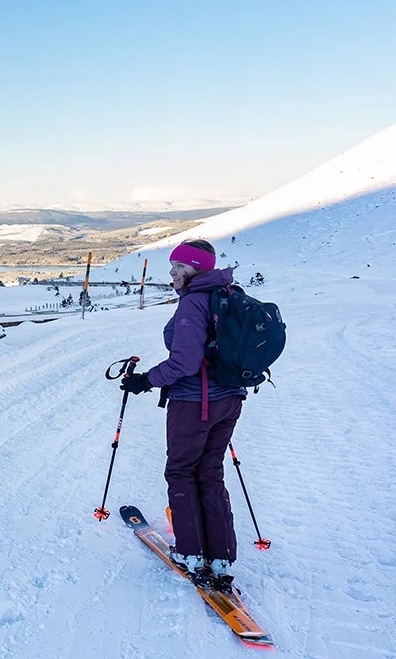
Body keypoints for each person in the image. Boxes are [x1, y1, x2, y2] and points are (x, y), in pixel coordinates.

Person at [120, 238, 246, 583]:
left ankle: (190, 551)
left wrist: (146, 380)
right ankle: (220, 556)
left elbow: (186, 362)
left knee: (181, 471)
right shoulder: (227, 293)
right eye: (173, 265)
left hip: (195, 403)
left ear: (197, 268)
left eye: (179, 266)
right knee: (210, 472)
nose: (173, 272)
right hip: (229, 399)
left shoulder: (194, 302)